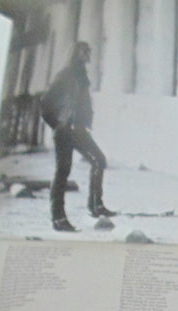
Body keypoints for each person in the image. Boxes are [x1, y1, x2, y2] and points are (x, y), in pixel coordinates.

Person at [41, 41, 115, 232]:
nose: (88, 54)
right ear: (76, 53)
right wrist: (58, 125)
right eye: (85, 51)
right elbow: (45, 104)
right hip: (65, 131)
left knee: (99, 160)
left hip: (79, 130)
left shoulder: (82, 75)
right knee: (62, 172)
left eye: (89, 51)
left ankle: (95, 205)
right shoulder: (64, 75)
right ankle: (58, 218)